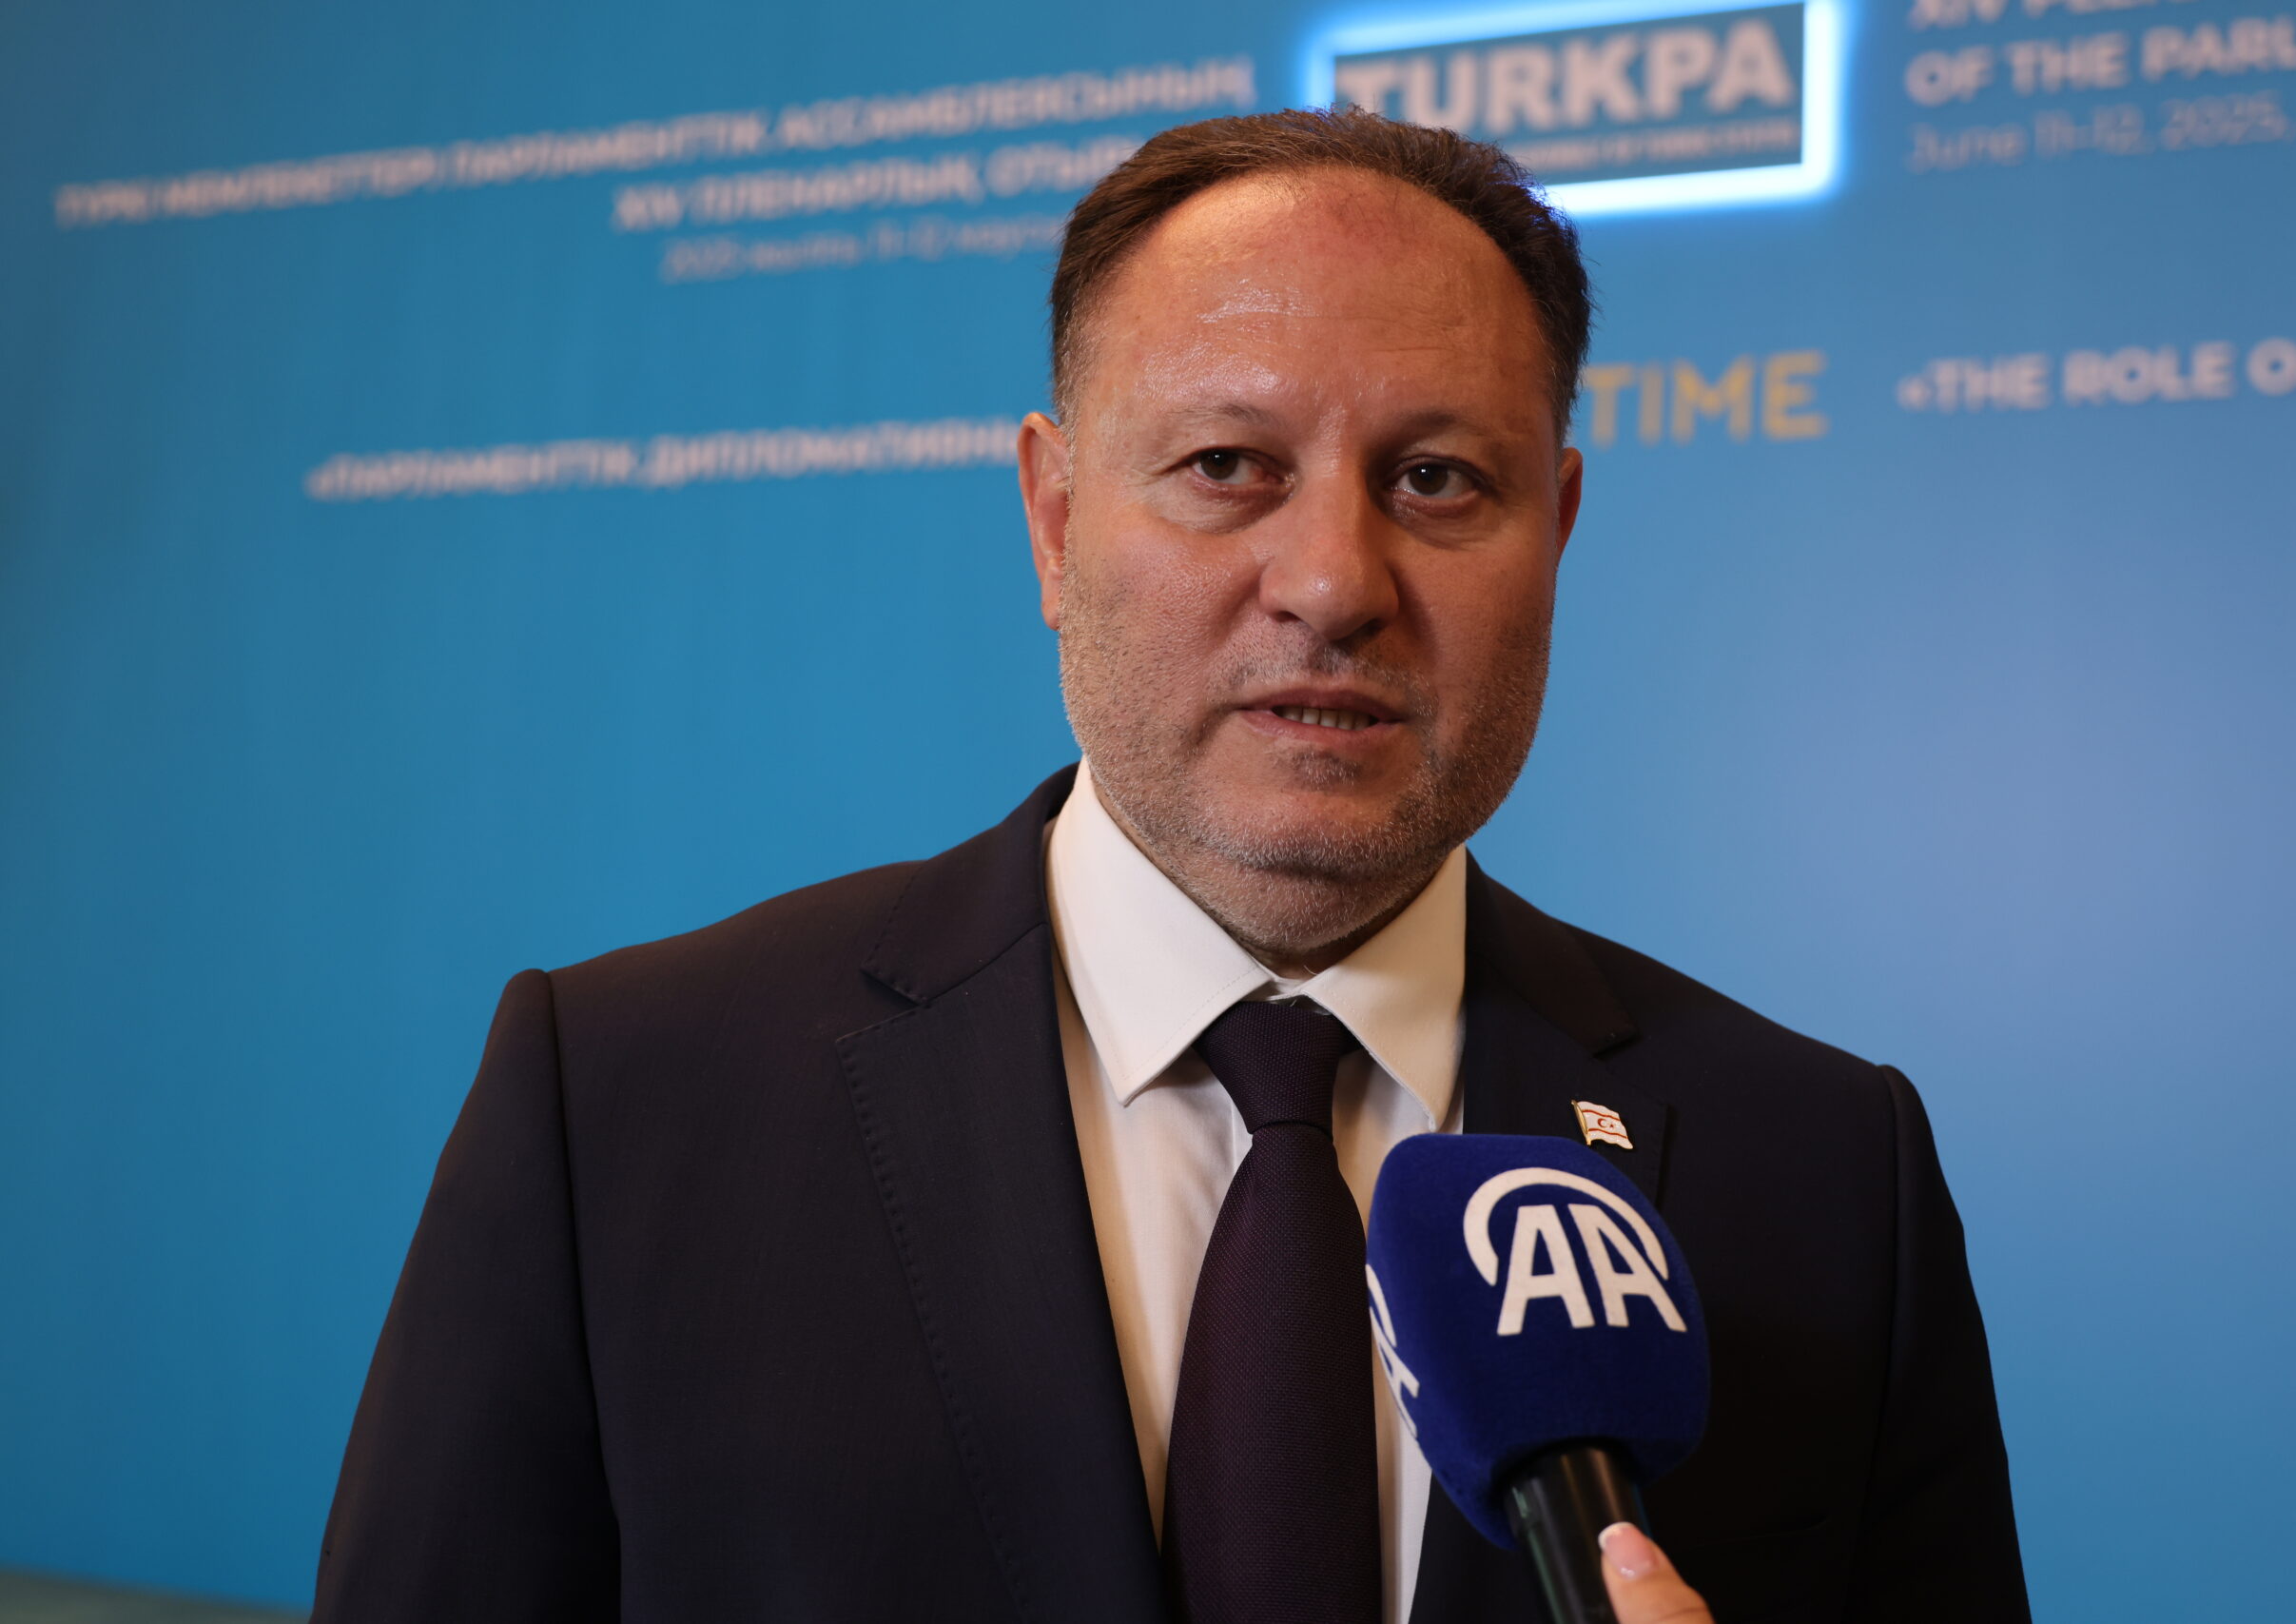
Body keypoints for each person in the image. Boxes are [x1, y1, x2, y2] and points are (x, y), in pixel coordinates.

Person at [312, 108, 2030, 1624]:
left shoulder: (1829, 1175)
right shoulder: (621, 1105)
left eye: (1439, 479)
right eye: (1227, 467)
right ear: (1056, 522)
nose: (1333, 582)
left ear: (1558, 532)